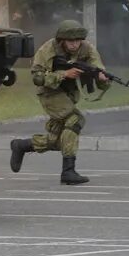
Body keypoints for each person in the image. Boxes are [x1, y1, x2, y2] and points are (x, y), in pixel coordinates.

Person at [9, 20, 109, 185]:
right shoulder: (47, 50)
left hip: (69, 96)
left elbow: (97, 66)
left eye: (78, 41)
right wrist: (64, 74)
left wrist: (102, 78)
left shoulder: (87, 48)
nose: (75, 45)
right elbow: (38, 78)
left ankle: (22, 146)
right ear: (62, 40)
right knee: (76, 120)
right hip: (50, 94)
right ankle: (68, 172)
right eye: (71, 41)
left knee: (57, 141)